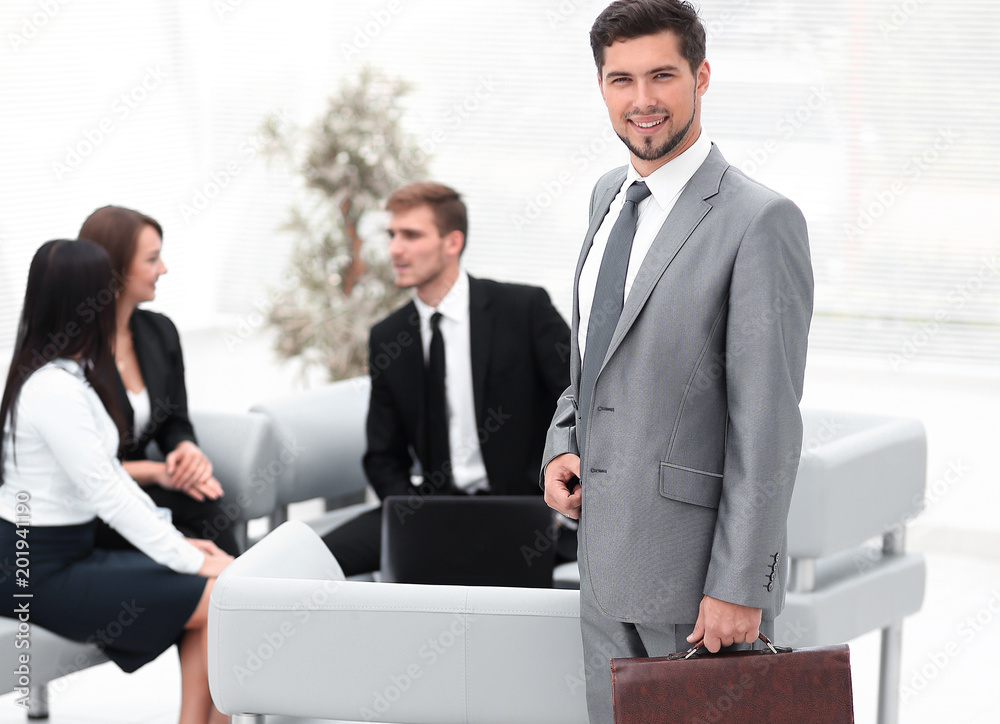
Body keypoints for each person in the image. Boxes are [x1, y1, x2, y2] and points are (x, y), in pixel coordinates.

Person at [539, 1, 814, 721]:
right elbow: (592, 360)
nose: (643, 101)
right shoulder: (607, 196)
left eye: (662, 75)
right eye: (620, 79)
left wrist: (739, 585)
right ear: (600, 86)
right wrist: (560, 445)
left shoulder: (760, 220)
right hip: (600, 562)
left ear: (702, 76)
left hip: (696, 586)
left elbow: (769, 429)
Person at [0, 239, 233, 724]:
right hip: (35, 571)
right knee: (223, 596)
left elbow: (111, 480)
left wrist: (181, 544)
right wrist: (189, 560)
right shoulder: (53, 389)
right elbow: (106, 492)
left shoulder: (71, 373)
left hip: (71, 554)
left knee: (222, 591)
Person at [322, 181, 574, 575]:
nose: (394, 249)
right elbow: (383, 456)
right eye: (392, 235)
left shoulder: (524, 310)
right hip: (434, 509)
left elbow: (581, 404)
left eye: (411, 235)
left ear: (451, 242)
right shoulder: (389, 336)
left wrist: (562, 499)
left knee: (497, 584)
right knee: (312, 560)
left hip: (529, 510)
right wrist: (412, 516)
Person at [79, 205, 240, 556]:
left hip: (141, 487)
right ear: (116, 269)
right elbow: (85, 469)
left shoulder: (159, 332)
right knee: (184, 537)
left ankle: (249, 601)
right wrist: (155, 472)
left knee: (212, 504)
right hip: (92, 505)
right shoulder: (71, 354)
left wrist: (186, 450)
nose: (163, 269)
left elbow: (174, 423)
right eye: (152, 259)